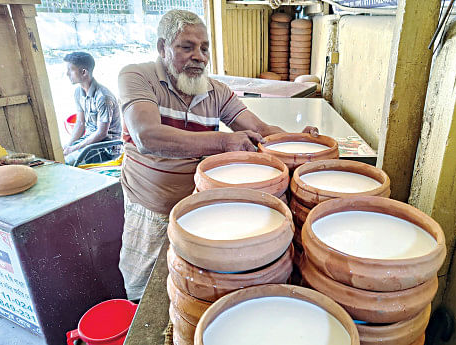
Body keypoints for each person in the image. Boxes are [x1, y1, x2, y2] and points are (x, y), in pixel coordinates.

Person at [117, 9, 318, 300]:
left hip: (202, 209)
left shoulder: (216, 91)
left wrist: (298, 141)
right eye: (187, 47)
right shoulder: (137, 77)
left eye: (204, 48)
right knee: (149, 292)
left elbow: (259, 129)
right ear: (162, 48)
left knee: (193, 286)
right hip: (151, 210)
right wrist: (224, 142)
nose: (199, 56)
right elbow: (147, 136)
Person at [63, 52, 122, 165]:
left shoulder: (103, 97)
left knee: (67, 162)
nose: (67, 74)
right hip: (89, 140)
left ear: (84, 72)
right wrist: (69, 145)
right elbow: (80, 123)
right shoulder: (78, 92)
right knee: (59, 156)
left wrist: (74, 149)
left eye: (70, 70)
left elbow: (101, 133)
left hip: (107, 147)